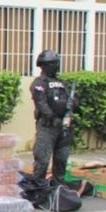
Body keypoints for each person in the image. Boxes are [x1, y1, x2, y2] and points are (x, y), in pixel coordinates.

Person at [30, 50, 76, 186]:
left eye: (56, 63)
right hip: (47, 126)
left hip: (64, 126)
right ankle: (38, 186)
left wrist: (73, 104)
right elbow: (41, 103)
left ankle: (58, 186)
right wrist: (52, 117)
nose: (55, 66)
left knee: (62, 158)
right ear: (44, 65)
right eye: (52, 64)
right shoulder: (39, 83)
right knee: (42, 159)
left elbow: (70, 101)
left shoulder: (62, 83)